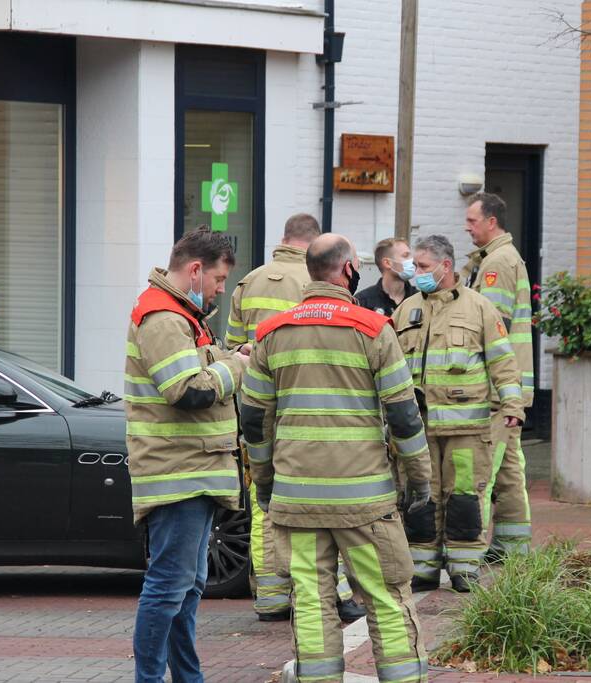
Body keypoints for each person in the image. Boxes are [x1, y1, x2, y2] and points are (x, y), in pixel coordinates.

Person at [241, 233, 432, 683]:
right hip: (364, 505)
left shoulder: (271, 334)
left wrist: (265, 483)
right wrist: (419, 480)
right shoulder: (373, 330)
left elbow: (254, 421)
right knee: (385, 595)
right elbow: (404, 418)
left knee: (310, 599)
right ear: (348, 270)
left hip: (297, 501)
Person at [225, 213, 364, 623]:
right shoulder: (311, 284)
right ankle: (332, 594)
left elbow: (237, 351)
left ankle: (269, 595)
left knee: (263, 507)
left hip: (258, 413)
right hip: (308, 410)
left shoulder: (248, 282)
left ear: (284, 238)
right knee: (320, 511)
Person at [124, 226, 248, 683]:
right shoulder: (163, 318)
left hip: (192, 472)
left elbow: (197, 370)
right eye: (218, 279)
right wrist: (236, 365)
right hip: (179, 475)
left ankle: (187, 677)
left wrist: (224, 357)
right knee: (168, 588)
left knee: (186, 587)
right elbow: (186, 391)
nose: (221, 289)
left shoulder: (183, 316)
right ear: (195, 270)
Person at [393, 234, 524, 593]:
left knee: (464, 498)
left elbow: (503, 362)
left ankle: (464, 569)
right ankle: (423, 569)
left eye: (422, 266)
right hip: (419, 429)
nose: (416, 273)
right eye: (415, 266)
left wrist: (513, 406)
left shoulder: (479, 308)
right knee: (421, 500)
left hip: (467, 428)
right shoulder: (405, 311)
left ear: (445, 266)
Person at [459, 192, 535, 561]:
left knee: (483, 471)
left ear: (492, 222)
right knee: (508, 472)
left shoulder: (497, 263)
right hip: (508, 388)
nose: (466, 227)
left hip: (494, 388)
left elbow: (491, 326)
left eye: (472, 221)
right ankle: (512, 546)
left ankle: (469, 553)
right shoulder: (498, 258)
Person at [356, 237, 417, 317]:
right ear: (387, 263)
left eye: (411, 256)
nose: (412, 261)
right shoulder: (363, 301)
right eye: (405, 256)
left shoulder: (420, 299)